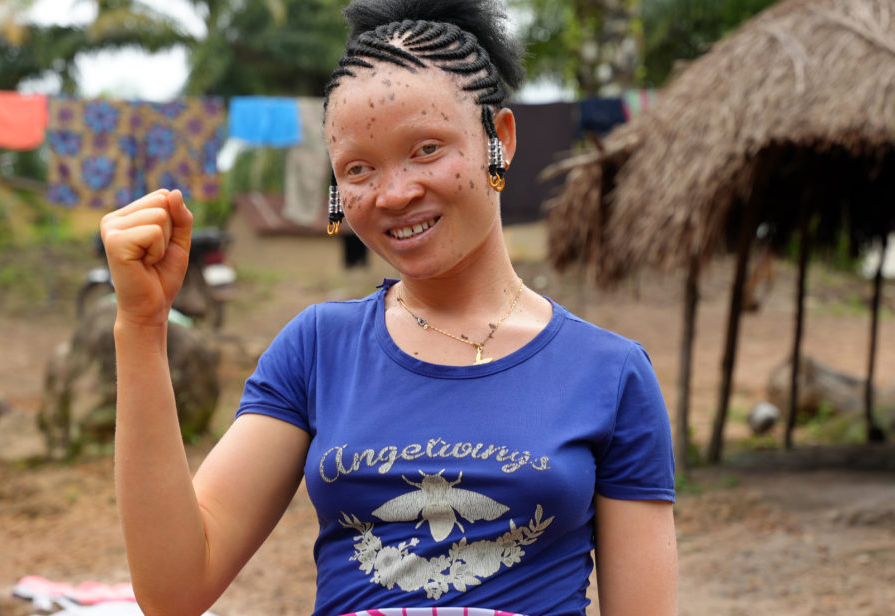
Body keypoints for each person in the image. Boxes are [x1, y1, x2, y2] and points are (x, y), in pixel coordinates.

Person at [100, 0, 678, 615]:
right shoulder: (318, 350)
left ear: (500, 139)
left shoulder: (608, 373)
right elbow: (175, 589)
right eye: (358, 168)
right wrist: (141, 327)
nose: (395, 194)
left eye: (426, 149)